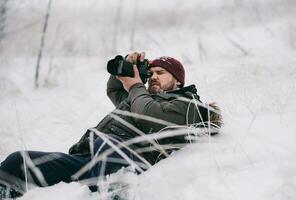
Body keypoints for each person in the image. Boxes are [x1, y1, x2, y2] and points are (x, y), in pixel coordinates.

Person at [0, 52, 222, 198]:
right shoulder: (139, 97)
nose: (153, 77)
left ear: (178, 81)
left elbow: (149, 115)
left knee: (106, 143)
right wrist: (127, 68)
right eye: (151, 73)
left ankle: (115, 193)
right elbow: (115, 91)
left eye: (160, 73)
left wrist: (136, 86)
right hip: (92, 160)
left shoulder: (187, 104)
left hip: (127, 159)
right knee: (19, 161)